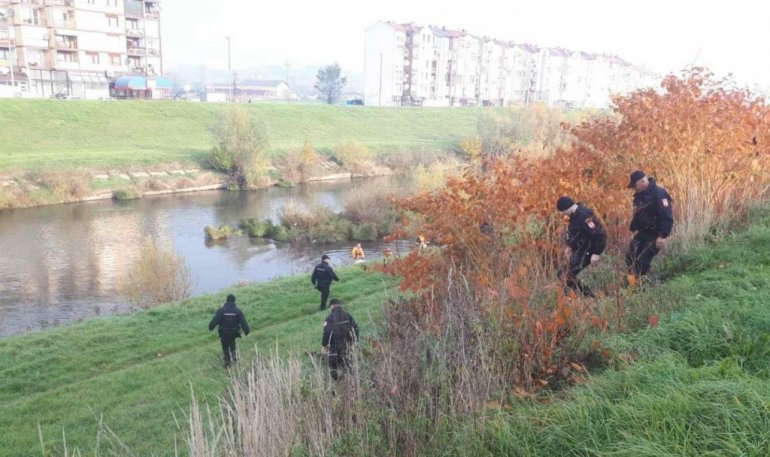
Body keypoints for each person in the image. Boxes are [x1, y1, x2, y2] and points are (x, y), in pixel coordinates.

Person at [626, 170, 674, 277]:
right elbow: (637, 215)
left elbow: (667, 216)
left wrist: (662, 235)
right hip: (643, 232)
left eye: (635, 185)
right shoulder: (639, 196)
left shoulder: (659, 194)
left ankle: (640, 282)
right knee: (630, 256)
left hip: (656, 234)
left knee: (642, 261)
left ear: (643, 181)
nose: (634, 188)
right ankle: (641, 277)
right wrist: (632, 229)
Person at [556, 196, 606, 297]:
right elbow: (576, 234)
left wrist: (596, 253)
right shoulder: (574, 216)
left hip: (589, 250)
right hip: (582, 249)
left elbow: (599, 235)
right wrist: (570, 246)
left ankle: (587, 296)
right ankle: (582, 295)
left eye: (563, 212)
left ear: (566, 208)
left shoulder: (583, 216)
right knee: (562, 273)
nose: (563, 214)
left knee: (566, 274)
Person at [321, 298, 359, 381]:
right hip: (347, 347)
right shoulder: (348, 316)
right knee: (348, 367)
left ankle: (339, 384)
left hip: (335, 349)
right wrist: (353, 342)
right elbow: (355, 329)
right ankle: (350, 383)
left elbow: (327, 333)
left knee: (334, 369)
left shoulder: (329, 318)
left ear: (332, 306)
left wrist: (324, 345)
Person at [208, 294, 250, 368]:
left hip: (224, 332)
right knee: (232, 341)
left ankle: (227, 362)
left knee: (225, 345)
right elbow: (243, 322)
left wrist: (211, 327)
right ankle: (234, 355)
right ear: (234, 301)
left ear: (226, 300)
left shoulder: (221, 310)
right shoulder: (237, 311)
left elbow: (215, 321)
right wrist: (246, 331)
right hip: (234, 332)